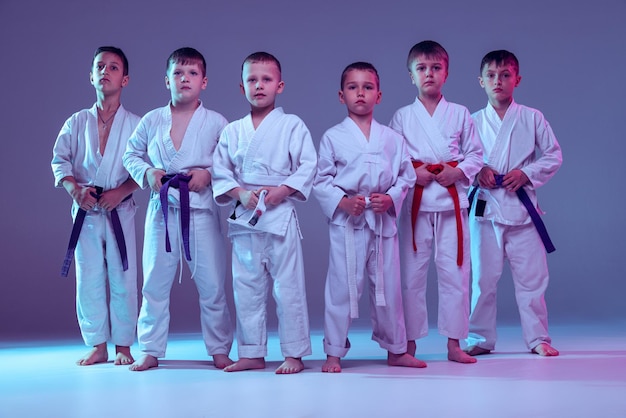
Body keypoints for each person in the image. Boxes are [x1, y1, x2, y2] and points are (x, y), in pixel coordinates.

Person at [123, 47, 233, 371]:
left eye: (192, 74)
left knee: (212, 284)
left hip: (200, 210)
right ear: (167, 80)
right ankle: (151, 349)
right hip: (161, 211)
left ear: (204, 81)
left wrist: (208, 174)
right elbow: (131, 154)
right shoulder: (152, 119)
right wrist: (148, 173)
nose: (185, 79)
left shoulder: (216, 122)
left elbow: (229, 162)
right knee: (154, 282)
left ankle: (219, 349)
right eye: (178, 73)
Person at [313, 62, 426, 373]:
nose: (360, 93)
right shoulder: (333, 137)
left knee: (389, 287)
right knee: (341, 286)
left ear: (379, 95)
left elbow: (406, 176)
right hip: (347, 223)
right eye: (352, 87)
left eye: (367, 87)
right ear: (341, 95)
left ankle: (396, 349)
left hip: (382, 222)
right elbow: (321, 180)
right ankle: (333, 352)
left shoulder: (392, 138)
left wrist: (390, 198)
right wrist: (343, 201)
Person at [212, 51, 316, 374]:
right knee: (246, 288)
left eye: (266, 79)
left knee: (289, 289)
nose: (259, 86)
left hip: (280, 214)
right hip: (245, 217)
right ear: (241, 87)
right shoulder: (232, 131)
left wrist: (282, 191)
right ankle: (252, 352)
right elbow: (220, 172)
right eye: (252, 80)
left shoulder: (291, 125)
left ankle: (294, 353)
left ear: (280, 85)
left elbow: (308, 165)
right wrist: (241, 194)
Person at [390, 40, 483, 364]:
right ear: (411, 76)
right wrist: (415, 171)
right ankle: (409, 343)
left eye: (435, 67)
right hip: (416, 205)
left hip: (451, 204)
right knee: (411, 278)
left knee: (456, 274)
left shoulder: (459, 114)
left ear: (446, 73)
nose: (428, 73)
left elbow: (476, 155)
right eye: (421, 68)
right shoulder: (402, 117)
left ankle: (455, 344)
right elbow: (394, 157)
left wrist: (455, 171)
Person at [465, 50, 562, 357]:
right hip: (485, 210)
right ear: (481, 81)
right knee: (481, 280)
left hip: (522, 211)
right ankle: (479, 338)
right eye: (492, 75)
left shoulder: (532, 118)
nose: (499, 81)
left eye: (506, 75)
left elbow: (553, 155)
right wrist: (476, 170)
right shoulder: (471, 121)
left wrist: (526, 173)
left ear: (517, 80)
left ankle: (537, 338)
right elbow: (457, 159)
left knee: (533, 280)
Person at [51, 46, 140, 366]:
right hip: (86, 209)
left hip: (120, 208)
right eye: (100, 66)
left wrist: (122, 190)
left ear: (125, 79)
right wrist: (74, 189)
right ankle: (98, 344)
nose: (106, 71)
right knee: (87, 277)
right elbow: (60, 160)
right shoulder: (76, 122)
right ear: (91, 76)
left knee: (123, 276)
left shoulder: (136, 124)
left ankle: (125, 345)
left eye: (113, 67)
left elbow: (147, 167)